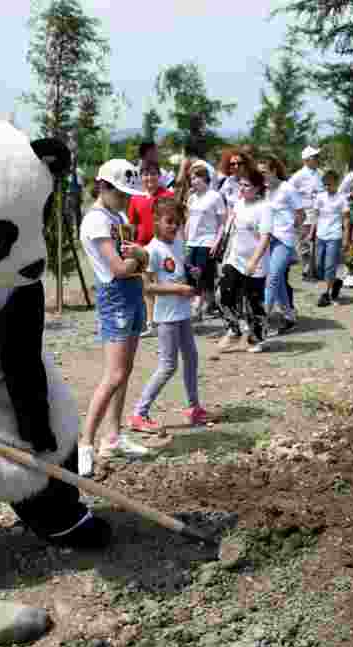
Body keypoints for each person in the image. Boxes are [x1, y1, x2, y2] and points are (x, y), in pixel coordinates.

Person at [79, 159, 151, 471]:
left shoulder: (116, 215)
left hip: (132, 293)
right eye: (120, 193)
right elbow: (120, 268)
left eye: (127, 195)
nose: (125, 200)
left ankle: (113, 436)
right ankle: (85, 443)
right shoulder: (96, 221)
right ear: (102, 186)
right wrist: (140, 257)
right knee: (114, 375)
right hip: (116, 295)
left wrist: (140, 256)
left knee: (125, 371)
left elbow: (138, 257)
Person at [129, 196, 207, 432]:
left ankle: (194, 408)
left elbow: (177, 269)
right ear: (156, 222)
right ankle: (139, 413)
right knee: (168, 365)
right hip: (166, 317)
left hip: (182, 312)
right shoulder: (151, 251)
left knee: (191, 357)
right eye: (169, 221)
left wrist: (190, 271)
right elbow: (148, 287)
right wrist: (178, 289)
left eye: (178, 222)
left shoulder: (177, 243)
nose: (174, 226)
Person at [249, 155, 304, 334]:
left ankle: (263, 321)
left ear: (273, 171)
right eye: (259, 172)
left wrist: (290, 229)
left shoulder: (287, 188)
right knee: (278, 279)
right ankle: (289, 316)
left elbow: (301, 214)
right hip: (267, 240)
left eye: (264, 172)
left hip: (284, 240)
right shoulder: (264, 191)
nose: (262, 175)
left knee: (271, 279)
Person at [220, 168, 271, 352]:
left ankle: (258, 338)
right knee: (224, 295)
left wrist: (254, 261)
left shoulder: (264, 208)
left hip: (255, 263)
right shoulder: (239, 204)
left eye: (246, 185)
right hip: (235, 258)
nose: (241, 188)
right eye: (240, 184)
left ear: (258, 188)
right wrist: (226, 255)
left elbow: (265, 238)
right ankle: (234, 329)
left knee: (253, 302)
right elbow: (233, 232)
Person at [127, 162, 175, 336]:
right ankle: (151, 323)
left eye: (153, 174)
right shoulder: (135, 198)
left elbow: (174, 221)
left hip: (162, 246)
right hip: (142, 246)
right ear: (141, 177)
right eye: (145, 175)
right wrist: (130, 244)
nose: (149, 178)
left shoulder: (168, 195)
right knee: (147, 285)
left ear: (159, 176)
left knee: (163, 283)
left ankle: (168, 320)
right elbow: (132, 224)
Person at [184, 163, 227, 321]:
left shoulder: (215, 196)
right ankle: (206, 303)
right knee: (190, 274)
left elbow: (223, 221)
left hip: (207, 240)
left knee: (201, 274)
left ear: (204, 178)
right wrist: (185, 239)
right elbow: (189, 220)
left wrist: (217, 241)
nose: (193, 182)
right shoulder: (192, 198)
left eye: (195, 178)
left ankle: (197, 307)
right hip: (192, 242)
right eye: (191, 179)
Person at [312, 170, 350, 307]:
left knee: (329, 266)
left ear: (336, 183)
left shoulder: (342, 198)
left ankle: (326, 295)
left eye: (330, 184)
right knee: (318, 265)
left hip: (335, 236)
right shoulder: (320, 197)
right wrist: (311, 232)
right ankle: (336, 283)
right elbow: (315, 216)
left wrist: (346, 239)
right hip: (320, 235)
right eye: (325, 185)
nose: (327, 187)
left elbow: (346, 220)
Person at [289, 146, 324, 280]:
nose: (317, 159)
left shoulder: (320, 173)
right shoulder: (299, 175)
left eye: (317, 157)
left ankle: (315, 269)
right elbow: (289, 192)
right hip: (306, 214)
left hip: (320, 213)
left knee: (317, 242)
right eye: (315, 157)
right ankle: (306, 270)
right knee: (305, 243)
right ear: (307, 160)